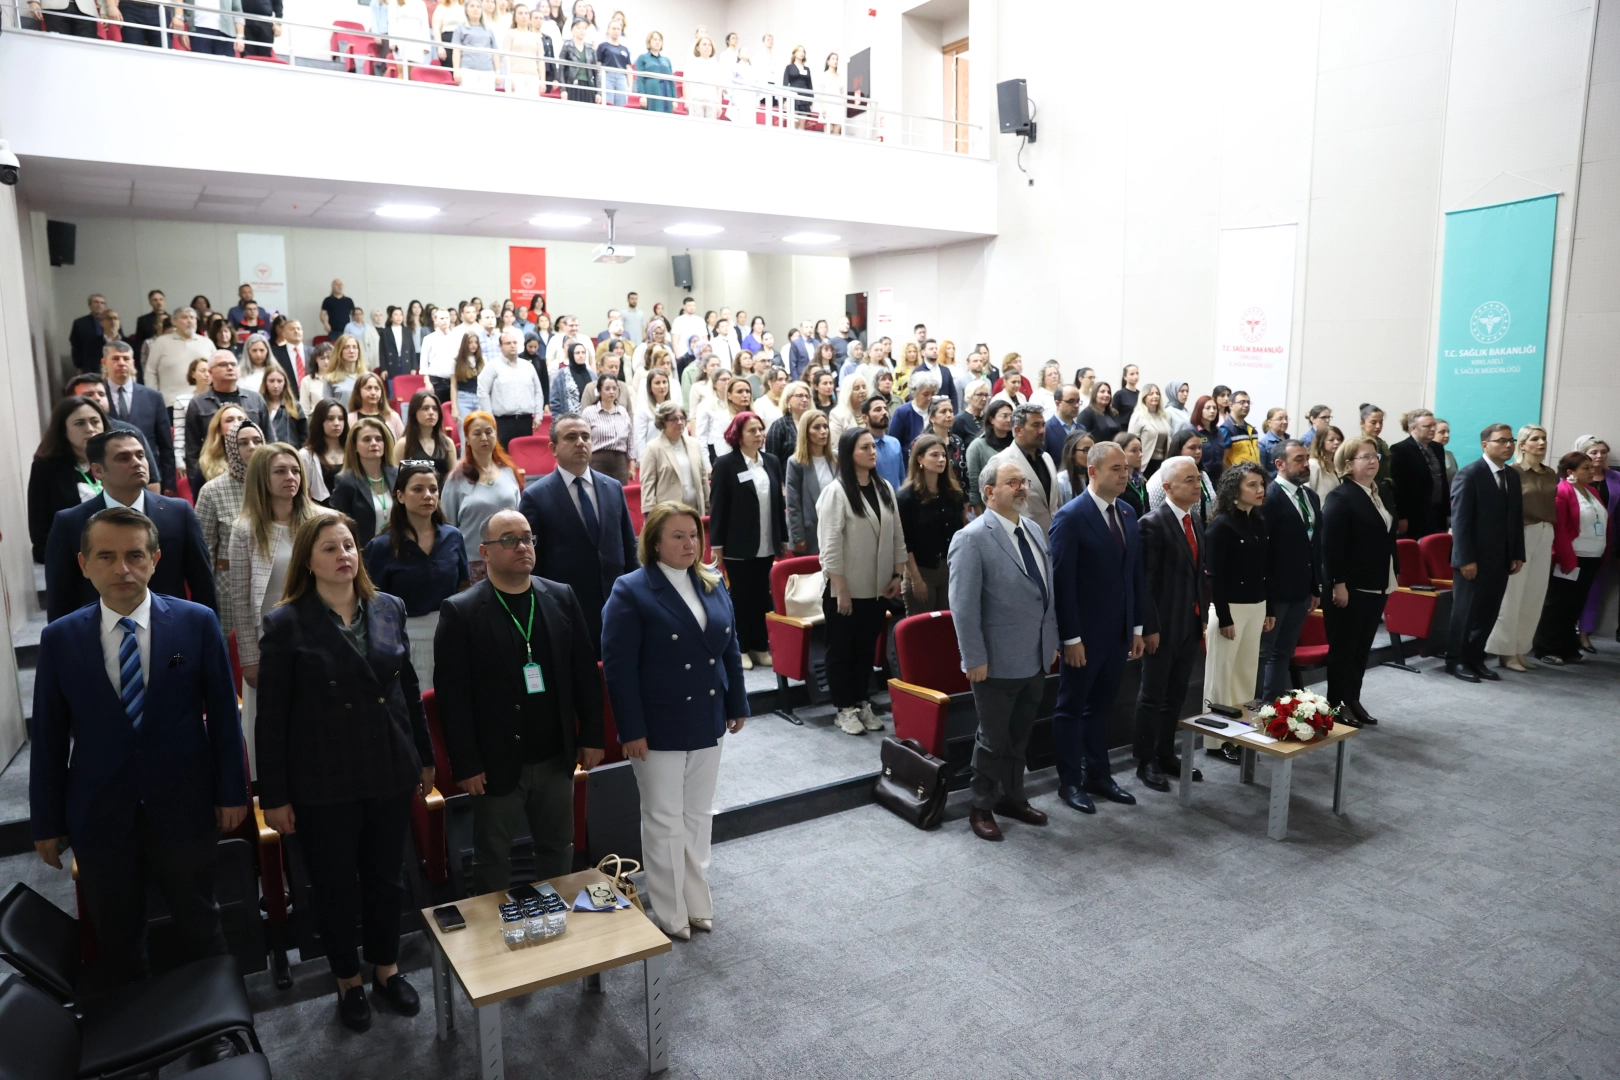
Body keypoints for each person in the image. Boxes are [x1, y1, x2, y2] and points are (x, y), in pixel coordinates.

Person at [32, 506, 246, 994]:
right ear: (84, 564)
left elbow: (223, 716)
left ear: (155, 560)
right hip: (100, 810)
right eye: (106, 557)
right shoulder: (60, 638)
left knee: (201, 922)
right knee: (119, 936)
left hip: (185, 803)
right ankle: (137, 1026)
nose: (121, 569)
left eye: (134, 556)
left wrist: (232, 791)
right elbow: (47, 737)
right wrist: (46, 820)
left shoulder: (195, 622)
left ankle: (219, 1022)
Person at [256, 514, 434, 1032]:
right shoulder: (286, 623)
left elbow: (408, 691)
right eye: (330, 548)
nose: (344, 555)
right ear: (307, 562)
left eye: (349, 546)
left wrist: (423, 757)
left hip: (387, 764)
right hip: (324, 776)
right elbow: (272, 720)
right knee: (334, 884)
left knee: (386, 877)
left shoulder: (388, 607)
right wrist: (275, 795)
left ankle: (386, 967)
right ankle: (347, 979)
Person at [435, 507, 603, 893]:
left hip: (555, 756)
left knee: (558, 846)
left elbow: (584, 674)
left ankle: (558, 918)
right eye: (509, 540)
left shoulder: (560, 596)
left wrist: (592, 735)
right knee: (493, 855)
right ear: (485, 552)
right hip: (495, 762)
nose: (522, 546)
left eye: (527, 538)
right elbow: (452, 698)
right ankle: (496, 927)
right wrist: (466, 762)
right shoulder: (461, 611)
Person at [601, 504, 745, 939]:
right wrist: (632, 730)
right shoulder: (631, 589)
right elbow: (619, 669)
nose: (689, 544)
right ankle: (669, 910)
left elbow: (729, 647)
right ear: (655, 543)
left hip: (707, 714)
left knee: (698, 815)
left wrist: (736, 703)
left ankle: (697, 901)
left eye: (693, 535)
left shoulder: (712, 579)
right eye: (678, 536)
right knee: (664, 818)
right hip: (657, 723)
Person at [944, 456, 1059, 840]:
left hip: (1035, 655)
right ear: (989, 492)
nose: (1022, 487)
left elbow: (1047, 593)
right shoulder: (971, 538)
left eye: (1023, 481)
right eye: (1013, 482)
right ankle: (981, 806)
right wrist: (973, 657)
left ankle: (1013, 797)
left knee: (1019, 736)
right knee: (992, 739)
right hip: (994, 661)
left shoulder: (1034, 530)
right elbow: (963, 607)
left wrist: (1051, 640)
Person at [1049, 442, 1145, 814]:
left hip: (1118, 632)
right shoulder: (1071, 516)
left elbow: (1134, 574)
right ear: (1093, 471)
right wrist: (1070, 637)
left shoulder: (1127, 511)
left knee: (1101, 708)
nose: (1124, 475)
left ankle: (1099, 775)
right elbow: (1062, 583)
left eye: (1126, 469)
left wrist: (1137, 626)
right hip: (1084, 636)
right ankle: (1070, 781)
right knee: (1071, 708)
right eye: (1116, 469)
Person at [43, 427, 217, 623]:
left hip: (171, 628)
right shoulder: (71, 522)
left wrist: (208, 632)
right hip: (99, 631)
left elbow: (202, 583)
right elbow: (59, 597)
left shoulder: (178, 513)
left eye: (140, 455)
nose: (137, 463)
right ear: (98, 470)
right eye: (123, 458)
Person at [224, 443, 324, 777]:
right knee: (275, 727)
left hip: (318, 635)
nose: (290, 477)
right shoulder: (245, 529)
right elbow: (240, 600)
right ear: (261, 479)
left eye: (295, 470)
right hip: (270, 641)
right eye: (280, 471)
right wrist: (249, 658)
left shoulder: (320, 520)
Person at [817, 428, 908, 735]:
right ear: (849, 453)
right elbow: (830, 545)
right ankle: (844, 709)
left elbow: (897, 532)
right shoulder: (836, 491)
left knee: (866, 649)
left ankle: (861, 701)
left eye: (873, 447)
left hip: (877, 586)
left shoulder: (884, 487)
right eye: (864, 447)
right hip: (844, 587)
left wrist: (897, 573)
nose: (872, 452)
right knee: (841, 649)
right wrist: (840, 589)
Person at [520, 413, 638, 647]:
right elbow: (533, 562)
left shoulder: (613, 487)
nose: (581, 442)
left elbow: (628, 547)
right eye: (571, 437)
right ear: (553, 448)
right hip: (566, 611)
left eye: (586, 436)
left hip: (617, 605)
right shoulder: (535, 496)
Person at [1133, 457, 1208, 792]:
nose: (1197, 485)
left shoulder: (1195, 521)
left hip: (1189, 623)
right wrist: (1149, 628)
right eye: (1189, 480)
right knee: (1152, 696)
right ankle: (1145, 760)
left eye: (1197, 479)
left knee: (1176, 695)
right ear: (1167, 487)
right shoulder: (1152, 524)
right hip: (1162, 626)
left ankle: (1166, 753)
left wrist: (1202, 618)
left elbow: (1199, 576)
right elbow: (1144, 583)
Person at [364, 462, 470, 687]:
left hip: (449, 633)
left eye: (433, 489)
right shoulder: (381, 546)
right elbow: (372, 603)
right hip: (403, 637)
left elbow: (463, 586)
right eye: (418, 489)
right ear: (400, 496)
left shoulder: (453, 536)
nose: (428, 496)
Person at [1321, 436, 1400, 725]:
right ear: (1347, 464)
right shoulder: (1340, 497)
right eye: (1364, 456)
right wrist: (1338, 583)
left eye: (1374, 455)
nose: (1372, 461)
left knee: (1361, 648)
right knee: (1344, 649)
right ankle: (1337, 703)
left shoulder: (1380, 492)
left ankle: (1353, 698)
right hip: (1350, 586)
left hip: (1378, 581)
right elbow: (1331, 546)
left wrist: (1395, 570)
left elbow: (1388, 536)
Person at [1200, 462, 1273, 759]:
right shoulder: (1221, 525)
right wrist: (1225, 617)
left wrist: (1268, 607)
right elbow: (1214, 576)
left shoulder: (1258, 521)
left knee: (1245, 673)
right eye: (1252, 485)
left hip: (1256, 606)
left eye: (1261, 484)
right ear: (1234, 489)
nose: (1260, 490)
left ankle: (1240, 732)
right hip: (1229, 608)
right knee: (1221, 676)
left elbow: (1264, 570)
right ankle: (1216, 740)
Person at [707, 412, 788, 669]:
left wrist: (782, 537)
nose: (759, 435)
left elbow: (778, 504)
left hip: (766, 542)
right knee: (741, 598)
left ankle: (760, 646)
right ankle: (740, 648)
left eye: (760, 429)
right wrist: (717, 545)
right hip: (737, 544)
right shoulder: (725, 464)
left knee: (761, 597)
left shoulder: (771, 461)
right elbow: (718, 507)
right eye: (752, 430)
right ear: (738, 435)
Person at [1446, 424, 1525, 683]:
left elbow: (1515, 518)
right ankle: (1456, 660)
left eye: (1511, 440)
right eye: (1501, 441)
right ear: (1485, 445)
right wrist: (1465, 559)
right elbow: (1460, 521)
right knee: (1466, 612)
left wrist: (1517, 553)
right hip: (1473, 558)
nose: (1508, 445)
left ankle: (1475, 658)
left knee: (1489, 611)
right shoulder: (1469, 474)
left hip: (1501, 557)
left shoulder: (1511, 475)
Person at [1487, 426, 1558, 672]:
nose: (1541, 442)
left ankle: (1520, 648)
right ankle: (1504, 651)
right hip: (1522, 532)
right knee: (1512, 595)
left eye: (1544, 438)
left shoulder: (1550, 473)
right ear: (1523, 444)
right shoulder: (1513, 472)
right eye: (1535, 438)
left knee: (1535, 595)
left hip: (1545, 531)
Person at [1258, 440, 1323, 701]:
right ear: (1280, 464)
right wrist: (1266, 598)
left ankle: (1274, 707)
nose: (1306, 464)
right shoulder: (1268, 498)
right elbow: (1263, 552)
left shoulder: (1310, 496)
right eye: (1299, 459)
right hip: (1276, 592)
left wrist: (1315, 587)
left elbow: (1314, 545)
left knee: (1284, 652)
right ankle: (1259, 707)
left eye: (1307, 458)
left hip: (1302, 589)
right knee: (1265, 653)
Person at [1532, 452, 1609, 665]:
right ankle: (1546, 648)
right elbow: (1560, 529)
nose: (1591, 470)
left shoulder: (1592, 491)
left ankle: (1568, 647)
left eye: (1591, 467)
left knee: (1575, 604)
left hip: (1592, 556)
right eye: (1585, 468)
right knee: (1558, 603)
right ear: (1570, 472)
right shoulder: (1563, 491)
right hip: (1571, 556)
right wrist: (1566, 558)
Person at [440, 412, 523, 583]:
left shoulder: (508, 472)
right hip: (472, 565)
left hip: (509, 559)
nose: (484, 438)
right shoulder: (456, 479)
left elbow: (520, 518)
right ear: (467, 439)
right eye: (477, 433)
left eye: (489, 432)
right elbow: (447, 527)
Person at [30, 396, 108, 564]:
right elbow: (40, 528)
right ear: (63, 430)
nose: (90, 429)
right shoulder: (46, 467)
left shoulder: (116, 459)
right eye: (79, 423)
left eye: (95, 422)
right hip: (74, 560)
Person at [184, 350, 271, 494]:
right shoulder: (198, 403)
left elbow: (269, 438)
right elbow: (192, 449)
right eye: (223, 364)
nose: (230, 368)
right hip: (214, 471)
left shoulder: (255, 399)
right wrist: (198, 482)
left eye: (233, 364)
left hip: (254, 471)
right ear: (210, 372)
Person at [897, 435, 964, 616]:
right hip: (921, 570)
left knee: (947, 626)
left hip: (950, 568)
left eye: (943, 455)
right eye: (934, 455)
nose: (941, 459)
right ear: (920, 459)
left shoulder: (953, 494)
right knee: (922, 627)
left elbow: (959, 534)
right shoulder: (906, 498)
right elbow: (905, 542)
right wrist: (916, 579)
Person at [103, 341, 177, 494]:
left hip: (147, 475)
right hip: (110, 477)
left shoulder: (153, 397)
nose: (121, 363)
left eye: (126, 358)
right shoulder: (98, 396)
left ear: (133, 362)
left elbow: (166, 445)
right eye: (115, 359)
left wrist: (169, 484)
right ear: (104, 363)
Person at [195, 420, 264, 570]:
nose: (252, 447)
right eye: (243, 443)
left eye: (257, 441)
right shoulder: (212, 491)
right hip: (229, 578)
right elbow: (204, 549)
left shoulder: (274, 483)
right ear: (231, 448)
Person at [329, 417, 400, 549]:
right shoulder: (345, 481)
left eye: (378, 439)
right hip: (364, 552)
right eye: (366, 439)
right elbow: (338, 525)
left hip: (398, 549)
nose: (374, 443)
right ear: (355, 446)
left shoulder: (398, 475)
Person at [988, 405, 1058, 534]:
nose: (1042, 431)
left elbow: (1056, 503)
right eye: (1035, 425)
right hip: (1024, 536)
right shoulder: (1001, 461)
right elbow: (997, 507)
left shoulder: (1047, 458)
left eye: (1043, 425)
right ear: (1018, 430)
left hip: (1055, 534)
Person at [478, 328, 545, 448]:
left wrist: (538, 416)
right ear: (500, 346)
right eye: (508, 343)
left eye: (514, 343)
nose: (512, 346)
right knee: (503, 456)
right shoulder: (492, 367)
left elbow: (538, 392)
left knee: (524, 454)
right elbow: (483, 392)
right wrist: (489, 418)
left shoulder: (528, 366)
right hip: (502, 422)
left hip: (525, 421)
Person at [639, 400, 708, 516]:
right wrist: (650, 513)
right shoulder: (653, 448)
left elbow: (703, 477)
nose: (680, 422)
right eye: (674, 419)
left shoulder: (694, 444)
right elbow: (648, 484)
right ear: (663, 422)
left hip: (695, 510)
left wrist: (707, 503)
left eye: (682, 418)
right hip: (668, 513)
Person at [1391, 409, 1449, 538]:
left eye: (1434, 425)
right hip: (1414, 514)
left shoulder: (1437, 448)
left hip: (1437, 512)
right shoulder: (1400, 450)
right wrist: (1401, 516)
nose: (1433, 429)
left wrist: (1447, 512)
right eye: (1427, 426)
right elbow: (1398, 487)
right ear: (1413, 428)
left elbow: (1443, 480)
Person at [786, 408, 836, 555]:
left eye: (826, 427)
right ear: (805, 432)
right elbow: (793, 504)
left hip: (836, 528)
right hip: (811, 532)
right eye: (817, 427)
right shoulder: (796, 462)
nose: (823, 431)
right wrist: (797, 536)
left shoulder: (837, 459)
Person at [1145, 428, 1214, 525]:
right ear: (1178, 449)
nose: (1198, 451)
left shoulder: (1203, 474)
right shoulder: (1161, 477)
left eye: (1200, 447)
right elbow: (1155, 513)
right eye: (1192, 448)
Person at [581, 373, 633, 482]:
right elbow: (583, 439)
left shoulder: (623, 412)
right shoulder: (589, 412)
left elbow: (630, 439)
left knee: (619, 491)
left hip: (620, 462)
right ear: (599, 391)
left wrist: (632, 463)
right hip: (597, 461)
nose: (612, 392)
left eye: (614, 388)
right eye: (607, 389)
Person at [965, 399, 1015, 512]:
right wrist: (978, 511)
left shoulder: (1016, 443)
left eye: (1011, 416)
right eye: (1004, 416)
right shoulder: (977, 446)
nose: (1009, 420)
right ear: (991, 419)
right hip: (990, 506)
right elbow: (973, 482)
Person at [398, 390, 457, 483]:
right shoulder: (403, 444)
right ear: (414, 412)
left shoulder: (448, 443)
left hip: (443, 491)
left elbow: (454, 479)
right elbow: (395, 477)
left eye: (435, 409)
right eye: (425, 408)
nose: (431, 412)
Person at [301, 399, 350, 505]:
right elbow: (302, 494)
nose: (336, 423)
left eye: (341, 419)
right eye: (330, 419)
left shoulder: (354, 451)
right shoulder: (306, 455)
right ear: (319, 421)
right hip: (320, 511)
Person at [889, 369, 939, 457]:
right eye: (925, 394)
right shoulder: (902, 412)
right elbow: (893, 443)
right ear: (914, 393)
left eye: (933, 394)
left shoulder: (937, 410)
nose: (930, 398)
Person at [859, 394, 905, 491]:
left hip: (897, 498)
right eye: (878, 410)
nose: (884, 412)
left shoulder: (895, 443)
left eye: (885, 409)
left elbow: (902, 477)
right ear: (865, 418)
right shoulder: (860, 447)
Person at [345, 372, 405, 443]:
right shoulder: (349, 419)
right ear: (358, 391)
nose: (373, 392)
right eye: (368, 388)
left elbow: (404, 444)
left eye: (377, 389)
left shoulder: (393, 417)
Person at [766, 380, 812, 463]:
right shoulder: (779, 425)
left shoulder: (813, 423)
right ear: (788, 399)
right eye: (800, 396)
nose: (805, 399)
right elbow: (771, 459)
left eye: (807, 396)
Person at [1220, 391, 1262, 472]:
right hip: (1237, 477)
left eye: (1248, 402)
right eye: (1242, 402)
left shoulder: (1252, 430)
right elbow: (1222, 460)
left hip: (1254, 475)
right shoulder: (1226, 429)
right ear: (1231, 405)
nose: (1246, 405)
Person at [1054, 429, 1096, 507]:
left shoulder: (1095, 478)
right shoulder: (1061, 482)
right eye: (1086, 450)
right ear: (1072, 452)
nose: (1091, 455)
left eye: (1093, 450)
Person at [1114, 432, 1149, 520]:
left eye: (1140, 450)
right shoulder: (1116, 482)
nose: (1140, 455)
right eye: (1134, 451)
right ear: (1120, 452)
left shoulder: (1141, 481)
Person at [1357, 403, 1392, 487]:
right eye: (1373, 422)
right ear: (1362, 423)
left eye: (1381, 422)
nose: (1378, 426)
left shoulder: (1383, 444)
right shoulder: (1357, 445)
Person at [1308, 425, 1345, 500]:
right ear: (1321, 442)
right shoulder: (1313, 464)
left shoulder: (1339, 464)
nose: (1337, 442)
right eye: (1331, 440)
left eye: (1339, 439)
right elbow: (1308, 492)